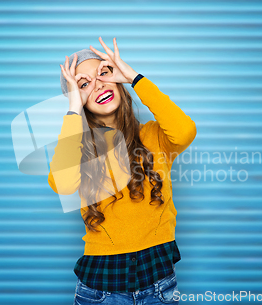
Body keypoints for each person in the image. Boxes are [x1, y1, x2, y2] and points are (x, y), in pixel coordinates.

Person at [49, 37, 197, 305]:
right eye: (84, 84)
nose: (98, 85)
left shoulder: (154, 136)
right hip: (100, 289)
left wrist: (134, 77)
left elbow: (185, 130)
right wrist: (73, 108)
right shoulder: (77, 151)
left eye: (104, 73)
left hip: (160, 283)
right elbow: (63, 184)